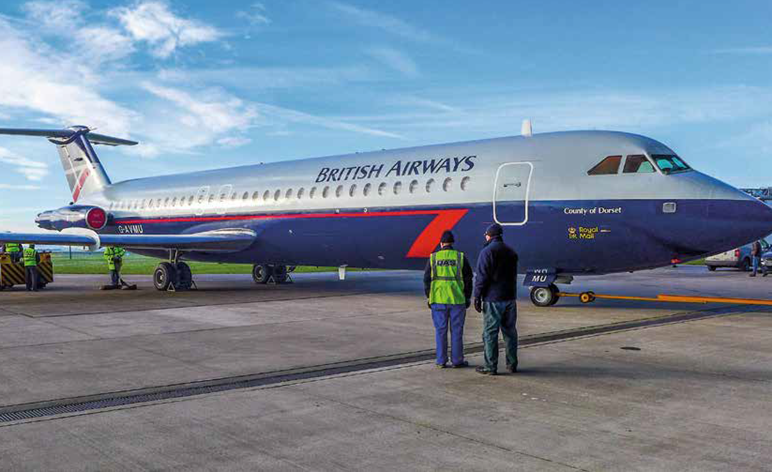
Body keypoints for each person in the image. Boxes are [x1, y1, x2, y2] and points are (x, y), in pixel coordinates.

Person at [473, 224, 519, 375]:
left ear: (489, 235)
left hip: (493, 299)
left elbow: (481, 277)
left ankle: (490, 366)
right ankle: (512, 364)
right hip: (510, 298)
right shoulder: (511, 251)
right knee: (510, 332)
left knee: (490, 333)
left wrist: (477, 296)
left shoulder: (487, 252)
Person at [424, 230, 474, 368]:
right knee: (457, 331)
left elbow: (427, 279)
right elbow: (469, 279)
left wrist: (429, 296)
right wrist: (467, 297)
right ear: (452, 243)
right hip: (457, 300)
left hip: (438, 300)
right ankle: (457, 360)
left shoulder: (433, 258)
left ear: (441, 244)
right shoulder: (460, 257)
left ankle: (441, 361)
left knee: (441, 330)